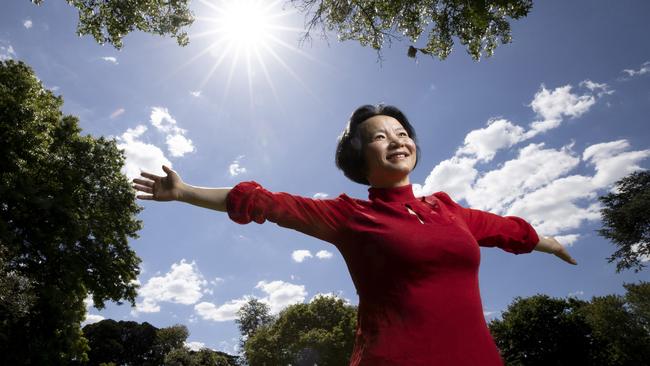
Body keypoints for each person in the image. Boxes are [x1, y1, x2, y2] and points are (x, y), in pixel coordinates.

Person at [132, 104, 577, 366]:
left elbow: (507, 231)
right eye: (381, 137)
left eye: (402, 133)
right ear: (359, 155)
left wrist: (549, 242)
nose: (398, 140)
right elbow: (265, 202)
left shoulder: (450, 212)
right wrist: (186, 191)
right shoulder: (350, 216)